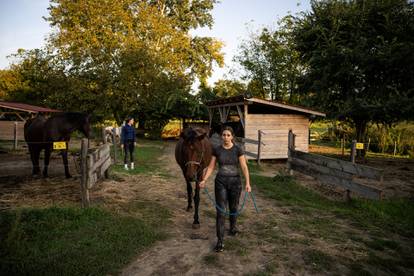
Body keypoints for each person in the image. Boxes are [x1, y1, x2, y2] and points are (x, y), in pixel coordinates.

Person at [199, 126, 251, 252]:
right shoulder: (217, 150)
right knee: (221, 211)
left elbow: (244, 167)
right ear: (221, 136)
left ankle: (233, 227)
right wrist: (204, 179)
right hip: (220, 182)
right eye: (224, 135)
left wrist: (248, 183)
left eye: (228, 135)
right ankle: (220, 241)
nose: (226, 137)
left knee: (233, 207)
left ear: (232, 136)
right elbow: (211, 167)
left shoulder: (238, 149)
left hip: (235, 183)